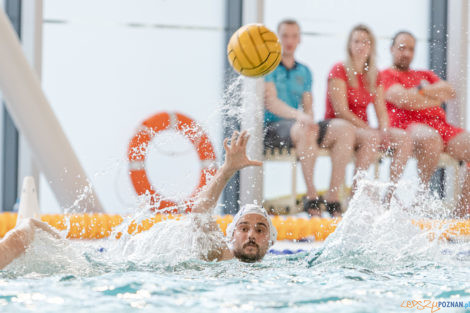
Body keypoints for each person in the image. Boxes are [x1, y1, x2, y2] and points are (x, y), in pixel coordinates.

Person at [264, 19, 355, 217]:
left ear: (300, 39)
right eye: (285, 36)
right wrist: (301, 117)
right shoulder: (268, 67)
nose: (289, 40)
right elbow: (271, 102)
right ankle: (312, 198)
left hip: (300, 125)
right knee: (306, 128)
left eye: (294, 36)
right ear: (277, 39)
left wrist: (309, 118)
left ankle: (333, 199)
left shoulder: (304, 71)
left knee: (344, 129)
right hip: (273, 127)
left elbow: (309, 106)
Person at [381, 31, 470, 218]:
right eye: (402, 47)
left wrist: (420, 91)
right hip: (408, 126)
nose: (406, 53)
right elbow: (403, 100)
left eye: (411, 49)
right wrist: (432, 97)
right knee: (431, 138)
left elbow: (449, 92)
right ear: (392, 49)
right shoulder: (386, 75)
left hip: (442, 127)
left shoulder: (423, 74)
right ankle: (420, 199)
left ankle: (462, 212)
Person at [325, 24, 413, 199]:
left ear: (371, 46)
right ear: (349, 45)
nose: (361, 46)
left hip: (363, 129)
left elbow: (381, 111)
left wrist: (385, 131)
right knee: (372, 137)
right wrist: (370, 129)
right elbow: (341, 110)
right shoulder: (339, 70)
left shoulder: (373, 74)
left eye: (366, 42)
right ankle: (357, 194)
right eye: (357, 41)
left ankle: (390, 194)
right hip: (340, 126)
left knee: (404, 138)